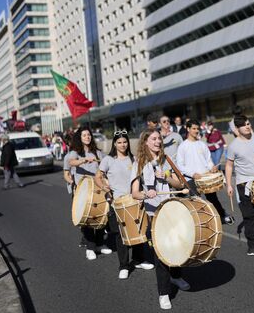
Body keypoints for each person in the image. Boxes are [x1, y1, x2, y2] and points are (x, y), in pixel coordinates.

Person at [130, 129, 187, 310]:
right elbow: (134, 193)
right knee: (161, 254)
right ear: (145, 142)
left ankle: (176, 276)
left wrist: (168, 178)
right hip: (154, 215)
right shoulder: (139, 163)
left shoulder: (167, 160)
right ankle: (163, 293)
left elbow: (181, 184)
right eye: (153, 139)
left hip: (172, 210)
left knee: (178, 246)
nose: (157, 141)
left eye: (159, 138)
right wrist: (146, 194)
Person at [95, 129, 154, 280]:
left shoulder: (133, 159)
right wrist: (104, 188)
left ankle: (139, 259)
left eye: (125, 142)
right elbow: (98, 177)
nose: (122, 145)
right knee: (120, 235)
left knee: (139, 231)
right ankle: (123, 265)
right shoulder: (108, 160)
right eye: (119, 142)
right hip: (118, 203)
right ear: (114, 144)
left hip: (134, 200)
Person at [225, 115, 254, 255]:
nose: (247, 126)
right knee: (249, 215)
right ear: (238, 129)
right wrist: (229, 185)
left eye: (248, 123)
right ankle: (252, 244)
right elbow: (229, 166)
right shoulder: (233, 146)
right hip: (244, 183)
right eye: (244, 125)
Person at [176, 119, 234, 225]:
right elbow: (180, 165)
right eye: (193, 128)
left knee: (213, 199)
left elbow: (208, 161)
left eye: (197, 128)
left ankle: (221, 216)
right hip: (191, 179)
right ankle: (200, 222)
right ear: (188, 129)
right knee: (196, 202)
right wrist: (192, 174)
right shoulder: (182, 146)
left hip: (205, 177)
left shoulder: (202, 144)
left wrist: (212, 168)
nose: (196, 131)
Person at [68, 127, 110, 260]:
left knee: (99, 216)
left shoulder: (97, 152)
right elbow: (71, 162)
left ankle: (99, 244)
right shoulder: (76, 152)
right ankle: (90, 248)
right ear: (79, 138)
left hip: (97, 189)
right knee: (86, 219)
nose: (87, 137)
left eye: (88, 135)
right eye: (84, 135)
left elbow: (105, 166)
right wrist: (83, 160)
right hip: (82, 190)